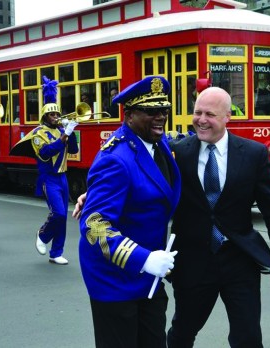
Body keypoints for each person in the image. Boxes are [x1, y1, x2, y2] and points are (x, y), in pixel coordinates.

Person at [166, 86, 270, 348]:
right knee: (182, 332)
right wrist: (92, 196)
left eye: (209, 114)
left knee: (247, 337)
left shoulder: (253, 154)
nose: (201, 119)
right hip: (192, 261)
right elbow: (146, 186)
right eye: (197, 112)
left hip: (239, 260)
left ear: (226, 117)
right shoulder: (178, 152)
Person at [77, 76, 181, 348]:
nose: (160, 117)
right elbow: (94, 226)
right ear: (130, 114)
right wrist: (144, 260)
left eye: (164, 110)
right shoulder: (115, 159)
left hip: (149, 276)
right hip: (116, 279)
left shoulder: (156, 142)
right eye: (151, 111)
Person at [10, 76, 78, 265]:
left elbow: (74, 151)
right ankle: (42, 234)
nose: (57, 117)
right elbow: (46, 153)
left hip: (63, 176)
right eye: (53, 115)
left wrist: (71, 134)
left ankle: (56, 252)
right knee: (58, 213)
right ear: (45, 117)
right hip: (49, 178)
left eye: (58, 114)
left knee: (63, 217)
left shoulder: (61, 130)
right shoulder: (38, 133)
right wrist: (64, 135)